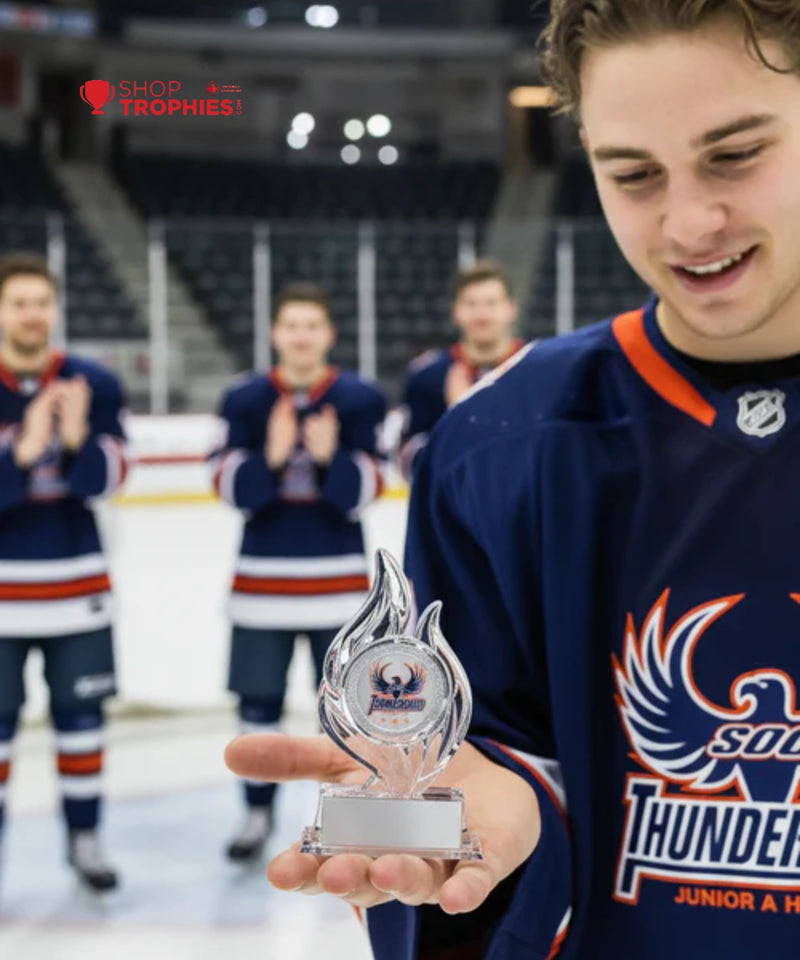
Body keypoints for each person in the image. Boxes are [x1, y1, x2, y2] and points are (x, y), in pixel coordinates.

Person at [226, 1, 800, 957]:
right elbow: (484, 758)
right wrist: (480, 809)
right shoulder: (502, 444)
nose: (689, 221)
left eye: (735, 154)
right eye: (632, 173)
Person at [211, 282, 387, 863]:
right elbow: (230, 491)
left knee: (345, 713)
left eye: (313, 325)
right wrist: (274, 455)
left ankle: (345, 819)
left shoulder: (361, 399)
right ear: (275, 334)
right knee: (257, 707)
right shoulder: (244, 399)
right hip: (260, 592)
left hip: (340, 595)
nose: (302, 335)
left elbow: (363, 494)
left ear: (328, 335)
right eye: (292, 325)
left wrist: (334, 455)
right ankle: (254, 817)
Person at [0, 252, 128, 892]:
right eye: (18, 301)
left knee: (83, 725)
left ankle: (85, 838)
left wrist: (75, 441)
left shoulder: (93, 383)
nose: (31, 313)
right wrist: (18, 452)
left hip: (78, 594)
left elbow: (112, 479)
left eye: (41, 302)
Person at [398, 260, 523, 480]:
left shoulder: (538, 370)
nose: (481, 314)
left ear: (511, 309)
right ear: (455, 311)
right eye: (471, 304)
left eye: (491, 303)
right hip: (454, 511)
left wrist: (466, 416)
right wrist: (455, 426)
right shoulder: (426, 377)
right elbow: (410, 467)